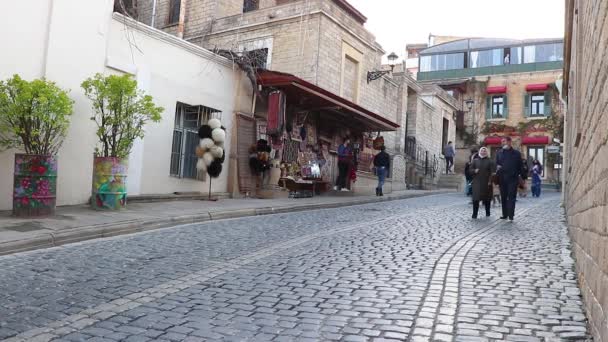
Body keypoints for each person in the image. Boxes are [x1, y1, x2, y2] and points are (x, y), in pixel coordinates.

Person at [496, 137, 524, 221]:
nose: (502, 143)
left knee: (511, 197)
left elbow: (520, 166)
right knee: (503, 197)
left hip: (513, 178)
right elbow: (496, 164)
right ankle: (504, 214)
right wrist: (497, 167)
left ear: (509, 142)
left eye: (504, 141)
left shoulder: (516, 153)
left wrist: (521, 176)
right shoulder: (499, 153)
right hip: (502, 178)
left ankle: (511, 215)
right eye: (502, 142)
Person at [471, 147, 494, 219]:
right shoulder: (475, 160)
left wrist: (490, 181)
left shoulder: (490, 161)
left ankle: (488, 212)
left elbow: (492, 172)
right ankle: (474, 214)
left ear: (486, 152)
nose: (483, 152)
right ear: (479, 152)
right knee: (475, 199)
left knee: (487, 199)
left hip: (486, 182)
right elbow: (469, 170)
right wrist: (474, 171)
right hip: (476, 182)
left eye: (484, 151)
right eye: (481, 151)